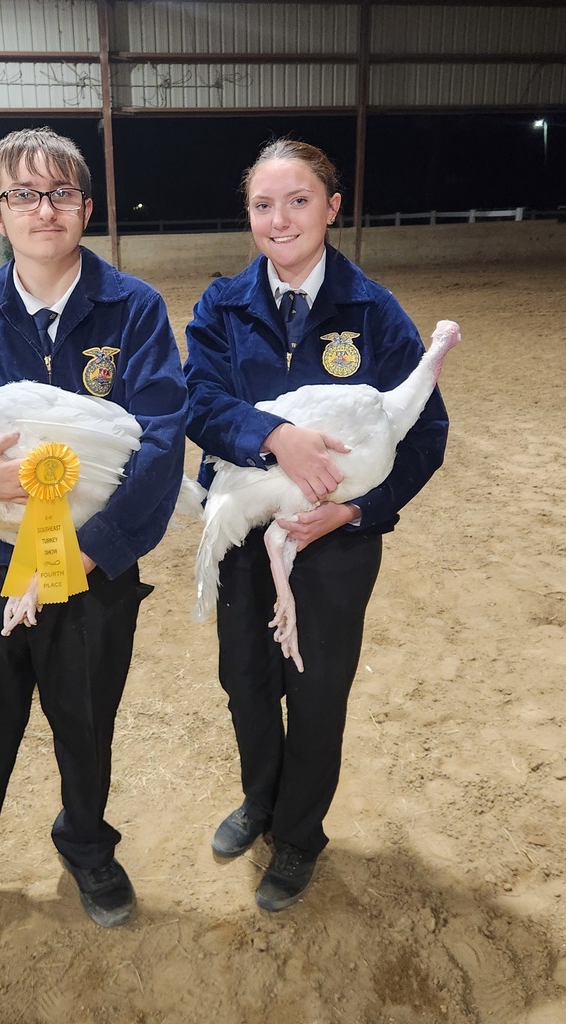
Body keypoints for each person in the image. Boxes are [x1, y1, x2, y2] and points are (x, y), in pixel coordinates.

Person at [0, 127, 188, 964]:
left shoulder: (132, 310)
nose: (44, 209)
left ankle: (88, 845)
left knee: (87, 722)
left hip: (94, 572)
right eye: (23, 194)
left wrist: (91, 550)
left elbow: (162, 439)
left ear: (86, 208)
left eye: (60, 192)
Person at [183, 139, 449, 912]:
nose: (280, 219)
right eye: (263, 204)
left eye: (298, 201)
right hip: (248, 531)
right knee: (245, 681)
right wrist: (274, 436)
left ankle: (299, 834)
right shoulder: (223, 306)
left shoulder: (373, 312)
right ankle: (260, 802)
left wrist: (356, 510)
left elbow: (425, 431)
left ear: (332, 207)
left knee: (317, 688)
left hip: (336, 544)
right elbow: (199, 400)